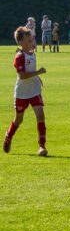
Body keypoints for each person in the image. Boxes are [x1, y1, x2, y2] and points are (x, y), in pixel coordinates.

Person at [4, 27, 48, 156]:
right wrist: (38, 72)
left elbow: (30, 68)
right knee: (18, 120)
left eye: (32, 38)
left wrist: (37, 78)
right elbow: (22, 75)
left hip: (34, 90)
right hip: (22, 93)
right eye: (29, 40)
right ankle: (8, 136)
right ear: (21, 42)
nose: (32, 41)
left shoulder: (32, 52)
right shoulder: (19, 56)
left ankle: (42, 146)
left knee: (40, 115)